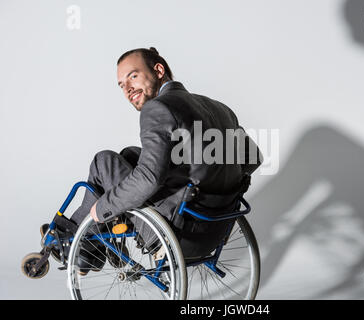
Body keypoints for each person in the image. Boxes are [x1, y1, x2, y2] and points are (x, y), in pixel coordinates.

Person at [64, 47, 262, 271]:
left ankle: (77, 239)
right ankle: (90, 247)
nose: (128, 89)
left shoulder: (158, 107)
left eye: (133, 76)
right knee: (130, 155)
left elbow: (149, 178)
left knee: (105, 162)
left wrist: (102, 209)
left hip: (176, 231)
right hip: (213, 231)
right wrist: (213, 181)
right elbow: (253, 157)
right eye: (121, 85)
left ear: (159, 70)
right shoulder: (220, 109)